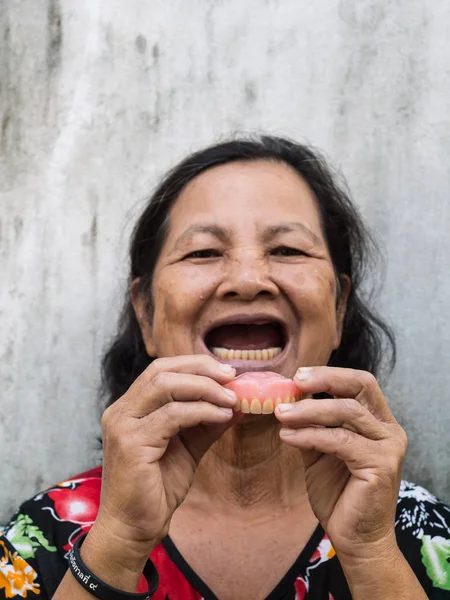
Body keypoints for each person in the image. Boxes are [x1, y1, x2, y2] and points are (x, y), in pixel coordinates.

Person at [1, 136, 449, 600]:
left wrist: (373, 554)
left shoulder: (424, 534)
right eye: (203, 253)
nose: (248, 280)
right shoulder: (45, 535)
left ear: (338, 311)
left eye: (289, 251)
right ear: (146, 314)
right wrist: (119, 541)